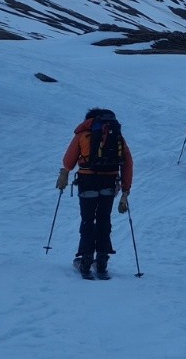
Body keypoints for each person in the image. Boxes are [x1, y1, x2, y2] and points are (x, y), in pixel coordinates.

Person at [57, 108, 133, 280]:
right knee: (104, 219)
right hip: (109, 183)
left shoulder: (83, 134)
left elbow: (69, 160)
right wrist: (125, 192)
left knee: (88, 219)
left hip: (87, 182)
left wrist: (65, 174)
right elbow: (127, 162)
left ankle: (85, 261)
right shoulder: (117, 136)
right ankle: (101, 263)